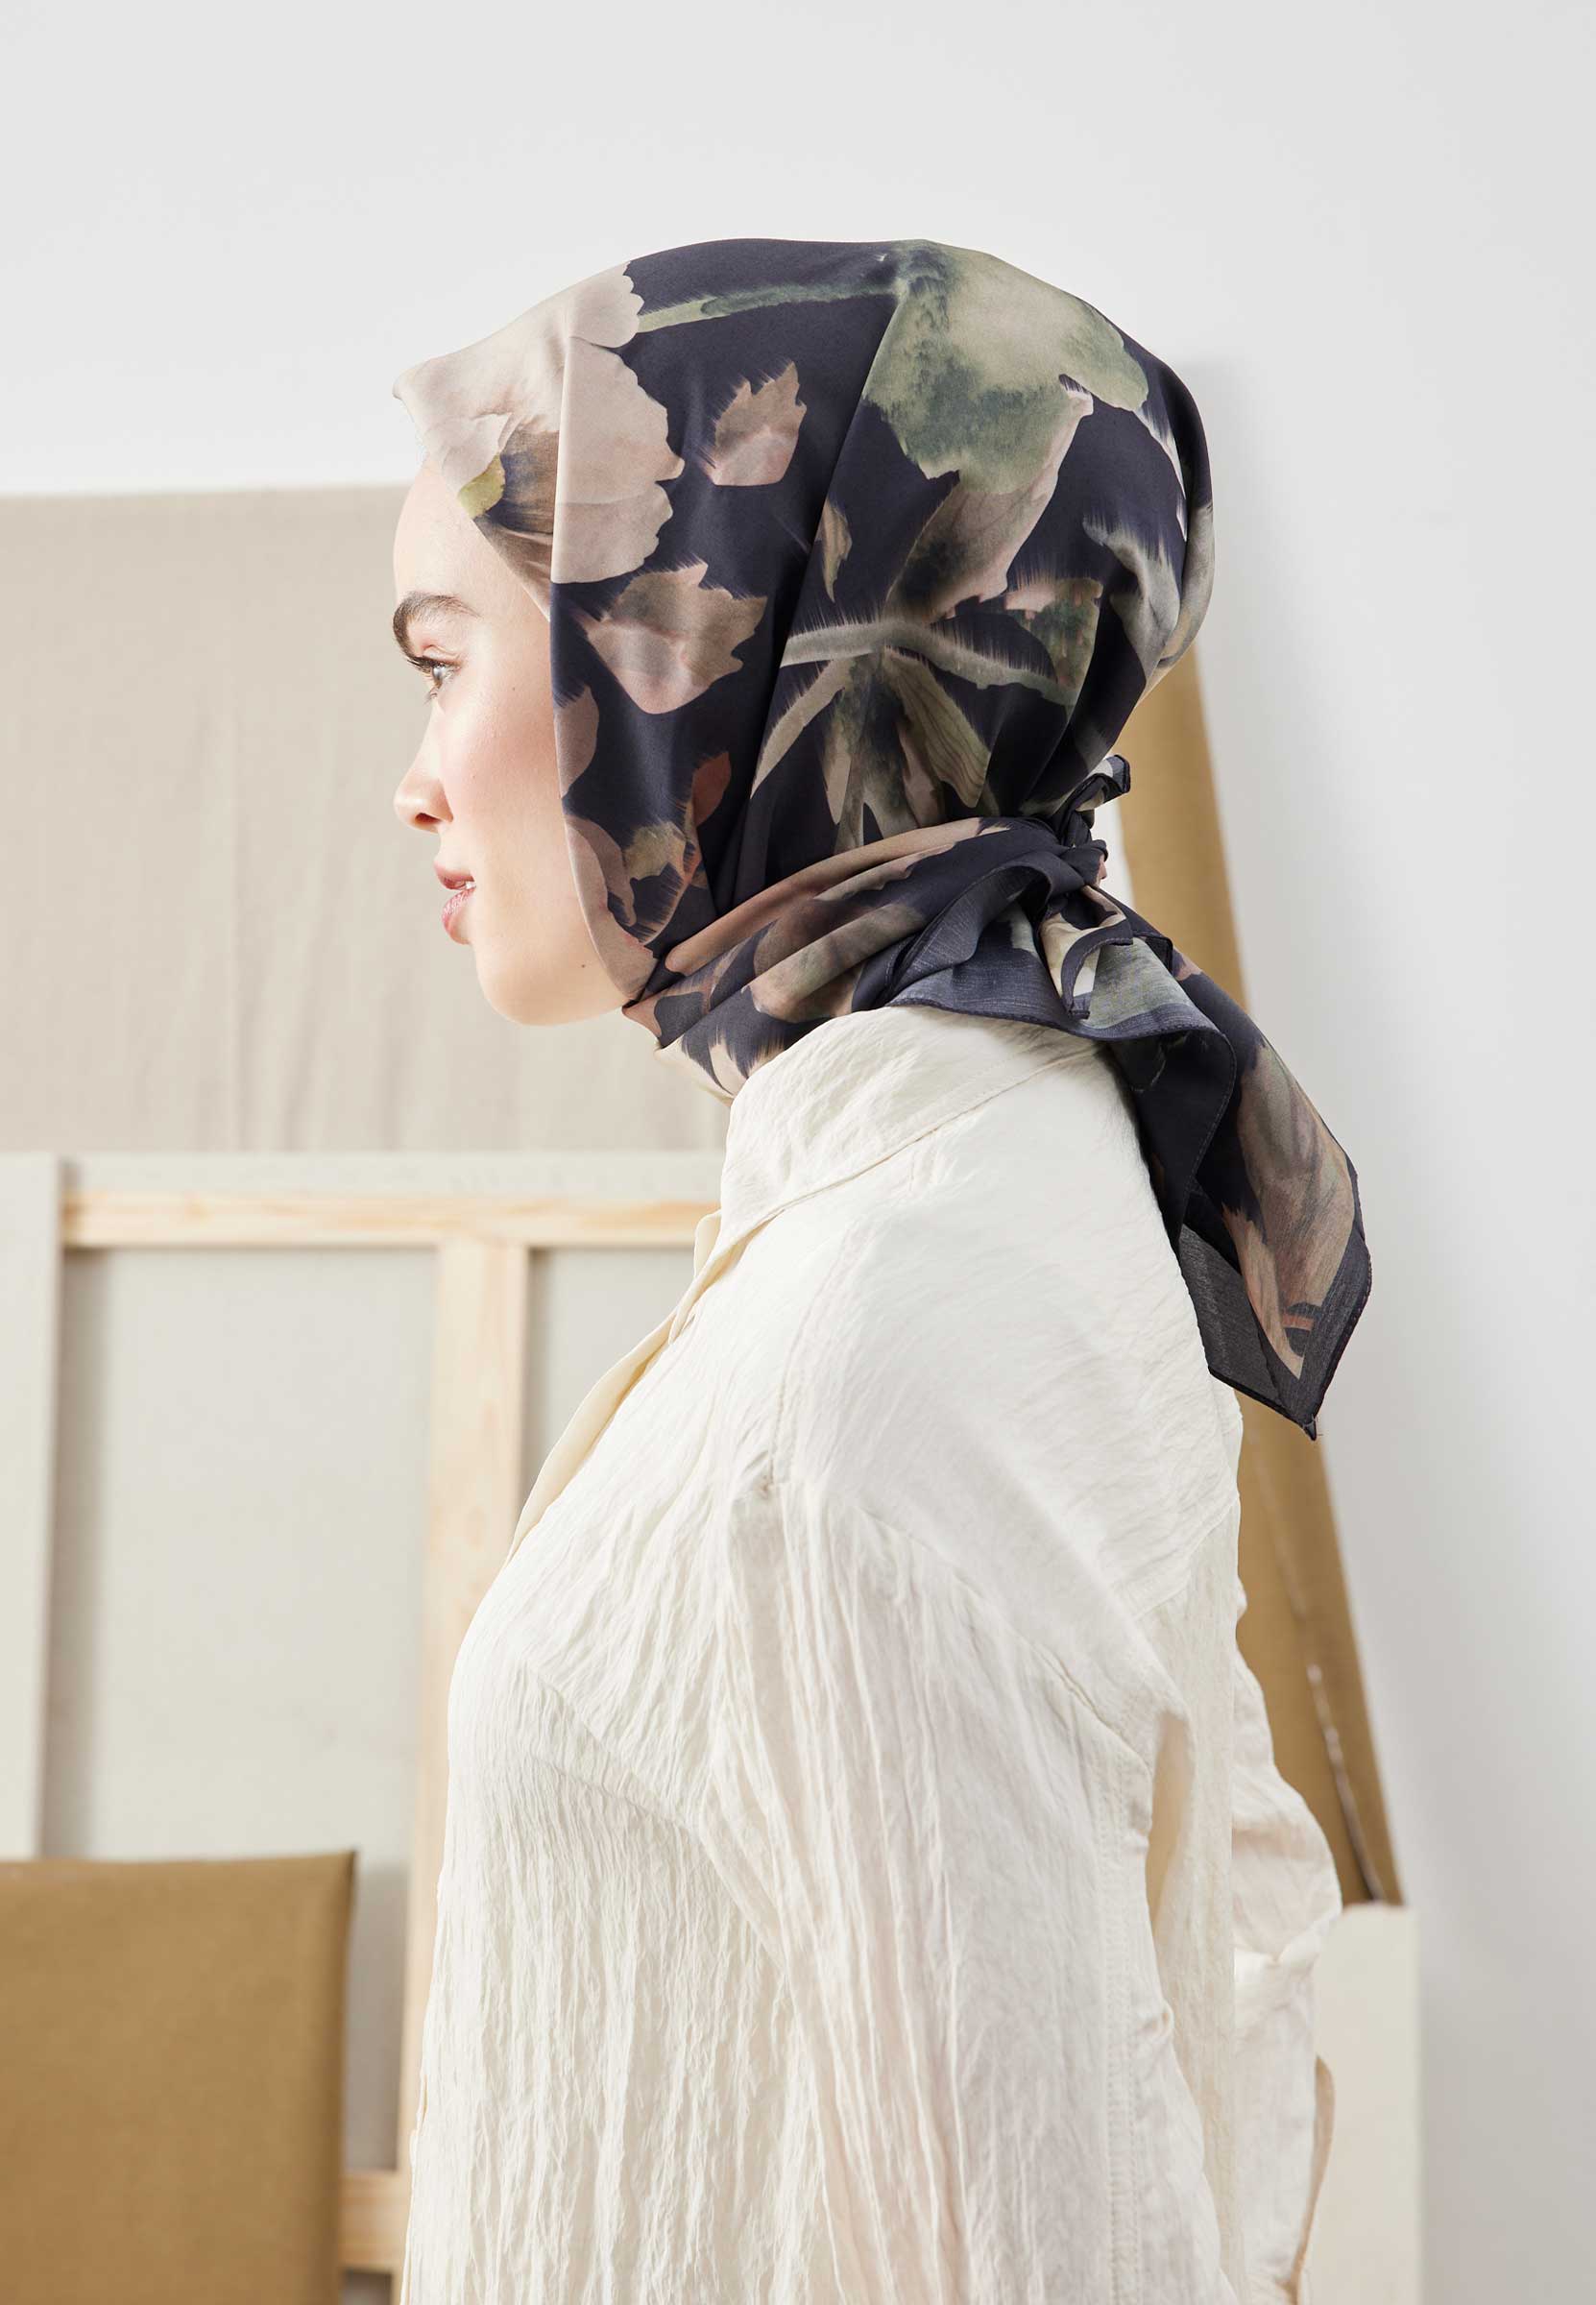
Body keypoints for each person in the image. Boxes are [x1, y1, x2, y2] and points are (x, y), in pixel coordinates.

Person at [388, 235, 1365, 2304]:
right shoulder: (957, 1182)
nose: (416, 780)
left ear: (692, 647)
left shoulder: (876, 1342)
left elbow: (1048, 2241)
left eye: (444, 660)